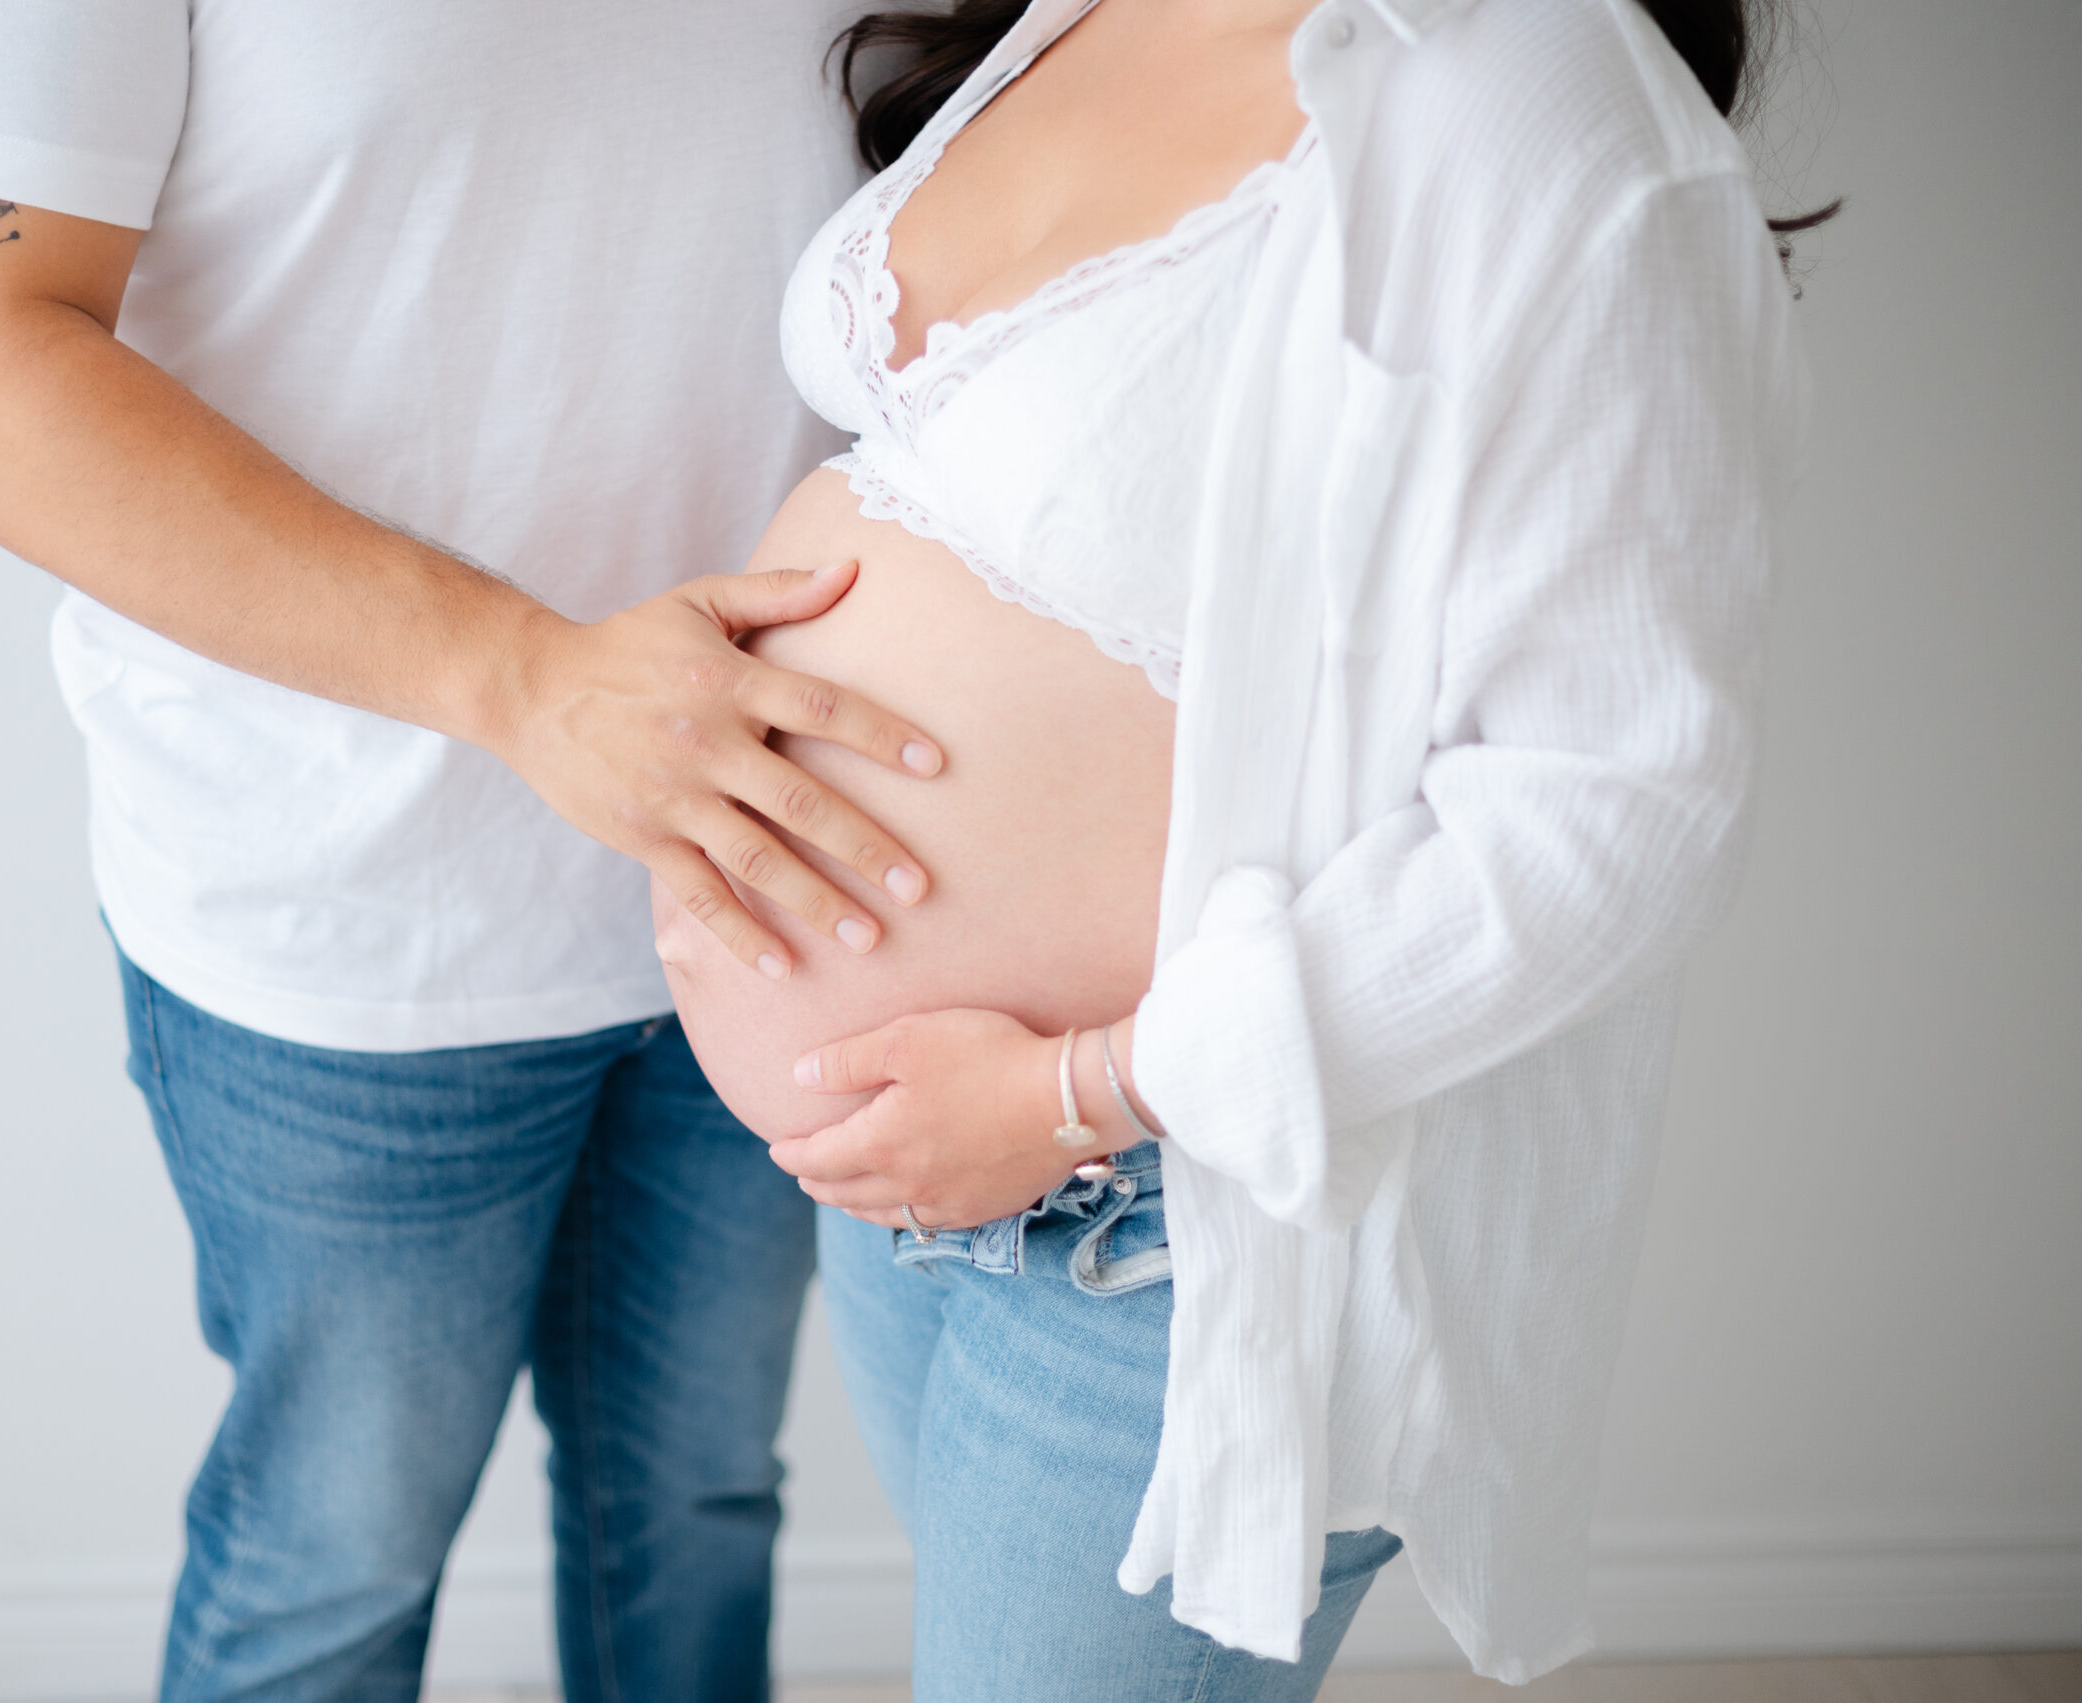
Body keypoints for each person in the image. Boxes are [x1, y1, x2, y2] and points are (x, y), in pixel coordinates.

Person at [658, 0, 1819, 1698]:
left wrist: (1085, 1088)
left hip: (1169, 1220)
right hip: (916, 1174)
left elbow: (1613, 815)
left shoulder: (1545, 106)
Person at [0, 4, 952, 1699]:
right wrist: (527, 679)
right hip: (350, 919)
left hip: (776, 873)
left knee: (700, 1505)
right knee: (332, 1564)